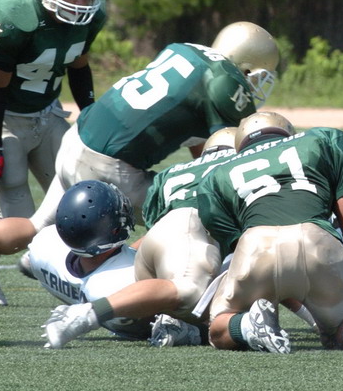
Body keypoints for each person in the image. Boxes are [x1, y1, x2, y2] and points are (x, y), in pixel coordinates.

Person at [0, 22, 279, 303]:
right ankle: (136, 292)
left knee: (35, 225)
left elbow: (199, 142)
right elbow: (228, 157)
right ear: (248, 66)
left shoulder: (186, 50)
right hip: (111, 165)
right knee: (190, 220)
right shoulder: (226, 83)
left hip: (77, 139)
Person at [197, 113, 343, 354]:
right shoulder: (322, 140)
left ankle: (247, 326)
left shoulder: (215, 177)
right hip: (318, 242)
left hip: (257, 244)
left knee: (219, 327)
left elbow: (236, 245)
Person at [0, 0, 106, 305]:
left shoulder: (92, 17)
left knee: (82, 200)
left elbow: (79, 67)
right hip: (7, 118)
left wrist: (91, 117)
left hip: (48, 113)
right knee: (20, 226)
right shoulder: (11, 13)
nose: (79, 4)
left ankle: (84, 277)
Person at [40, 127, 241, 349]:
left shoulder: (43, 247)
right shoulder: (239, 169)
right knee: (203, 290)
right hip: (186, 244)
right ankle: (89, 315)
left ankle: (192, 330)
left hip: (161, 241)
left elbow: (156, 234)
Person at [36, 179, 183, 346]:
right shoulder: (128, 280)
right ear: (115, 230)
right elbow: (177, 292)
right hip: (150, 320)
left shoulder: (42, 248)